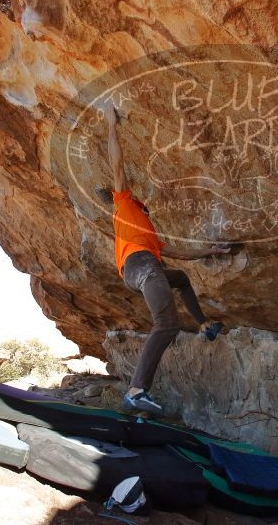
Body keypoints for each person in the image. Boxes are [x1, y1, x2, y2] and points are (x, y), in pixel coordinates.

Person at [101, 104, 229, 415]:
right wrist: (110, 124)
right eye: (143, 204)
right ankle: (136, 390)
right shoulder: (124, 205)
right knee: (167, 324)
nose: (146, 208)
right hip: (139, 266)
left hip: (147, 269)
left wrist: (210, 252)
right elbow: (117, 165)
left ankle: (203, 325)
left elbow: (176, 254)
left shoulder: (148, 232)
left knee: (180, 278)